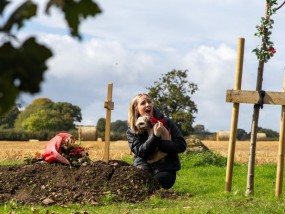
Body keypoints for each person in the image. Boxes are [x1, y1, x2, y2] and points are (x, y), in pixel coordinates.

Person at [126, 93, 187, 189]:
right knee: (140, 182)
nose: (148, 105)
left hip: (165, 166)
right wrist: (155, 137)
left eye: (149, 102)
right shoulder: (132, 130)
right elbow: (141, 152)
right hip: (143, 165)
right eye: (143, 103)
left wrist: (159, 141)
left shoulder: (166, 122)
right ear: (136, 109)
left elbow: (181, 145)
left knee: (157, 183)